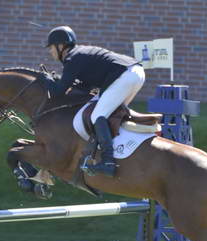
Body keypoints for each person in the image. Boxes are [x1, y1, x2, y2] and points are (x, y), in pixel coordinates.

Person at [43, 26, 145, 178]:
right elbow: (84, 88)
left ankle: (108, 162)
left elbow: (58, 92)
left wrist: (45, 79)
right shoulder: (79, 55)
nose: (50, 52)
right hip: (135, 72)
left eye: (51, 47)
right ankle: (121, 150)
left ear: (61, 46)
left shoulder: (72, 58)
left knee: (97, 115)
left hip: (126, 75)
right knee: (110, 114)